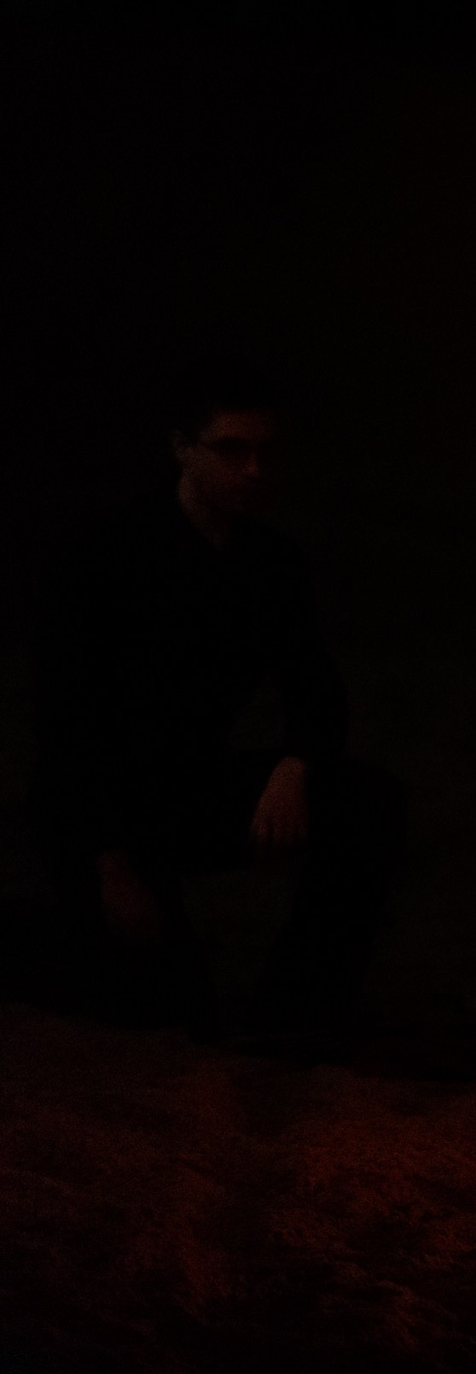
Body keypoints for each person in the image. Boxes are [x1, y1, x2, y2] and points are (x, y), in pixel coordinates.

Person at [25, 367, 403, 1049]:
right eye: (231, 449)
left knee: (366, 801)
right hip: (99, 812)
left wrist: (293, 767)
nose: (254, 469)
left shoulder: (270, 563)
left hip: (188, 789)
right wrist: (112, 864)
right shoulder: (112, 552)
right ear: (183, 448)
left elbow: (316, 687)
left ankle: (295, 1018)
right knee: (150, 1008)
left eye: (265, 451)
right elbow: (65, 722)